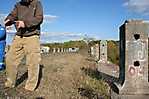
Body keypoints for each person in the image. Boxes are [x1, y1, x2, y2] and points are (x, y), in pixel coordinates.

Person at [4, 0, 43, 91]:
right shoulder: (18, 5)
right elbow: (13, 15)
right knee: (10, 58)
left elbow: (39, 18)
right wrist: (8, 20)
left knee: (33, 62)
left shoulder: (37, 3)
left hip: (33, 36)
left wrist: (25, 23)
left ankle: (30, 87)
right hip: (19, 36)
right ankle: (10, 83)